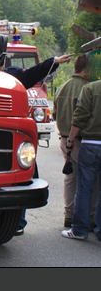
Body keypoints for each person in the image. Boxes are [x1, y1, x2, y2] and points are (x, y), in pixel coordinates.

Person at [0, 45, 74, 235]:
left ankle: (18, 221)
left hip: (10, 134)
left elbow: (33, 73)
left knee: (23, 174)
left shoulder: (11, 76)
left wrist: (53, 62)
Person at [53, 54, 98, 228]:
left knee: (70, 179)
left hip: (64, 139)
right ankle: (91, 217)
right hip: (80, 139)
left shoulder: (63, 87)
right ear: (87, 69)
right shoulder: (87, 87)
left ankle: (69, 215)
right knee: (90, 180)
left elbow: (55, 114)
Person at [61, 79, 101, 241]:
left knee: (84, 188)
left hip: (90, 143)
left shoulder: (91, 88)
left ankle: (79, 230)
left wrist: (70, 140)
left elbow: (80, 116)